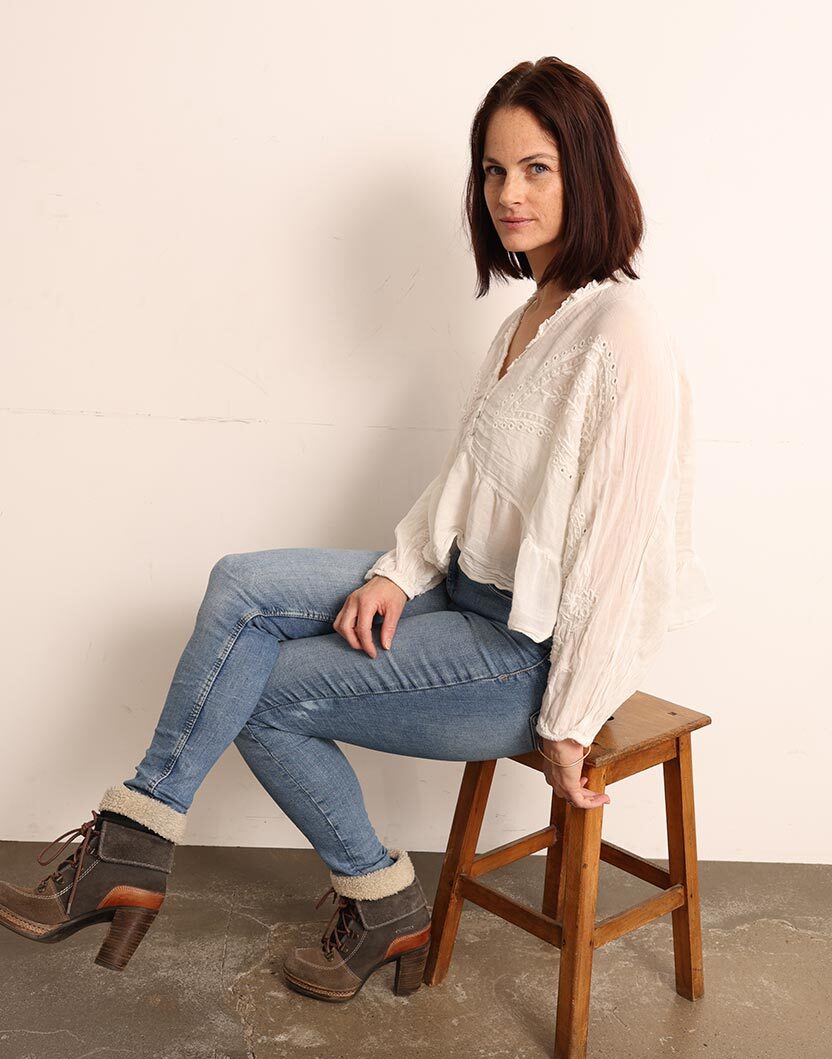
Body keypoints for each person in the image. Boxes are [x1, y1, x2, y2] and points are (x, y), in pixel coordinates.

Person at [0, 57, 714, 1000]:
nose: (508, 194)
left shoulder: (622, 330)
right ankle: (135, 841)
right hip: (461, 594)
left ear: (587, 172)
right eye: (494, 171)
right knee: (240, 585)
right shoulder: (532, 319)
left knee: (257, 689)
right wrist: (396, 572)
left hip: (525, 652)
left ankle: (373, 898)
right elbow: (468, 482)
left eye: (536, 168)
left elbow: (617, 555)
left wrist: (570, 725)